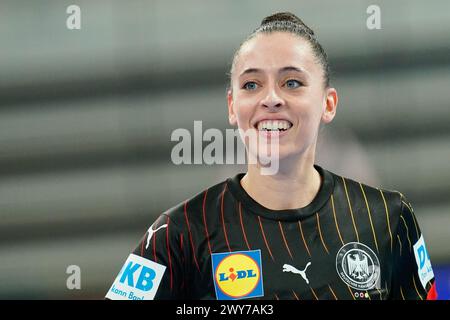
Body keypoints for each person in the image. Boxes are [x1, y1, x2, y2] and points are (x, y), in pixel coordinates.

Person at [105, 12, 437, 300]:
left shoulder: (389, 219)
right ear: (232, 107)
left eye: (292, 82)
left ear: (328, 104)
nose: (271, 99)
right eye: (251, 85)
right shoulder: (179, 234)